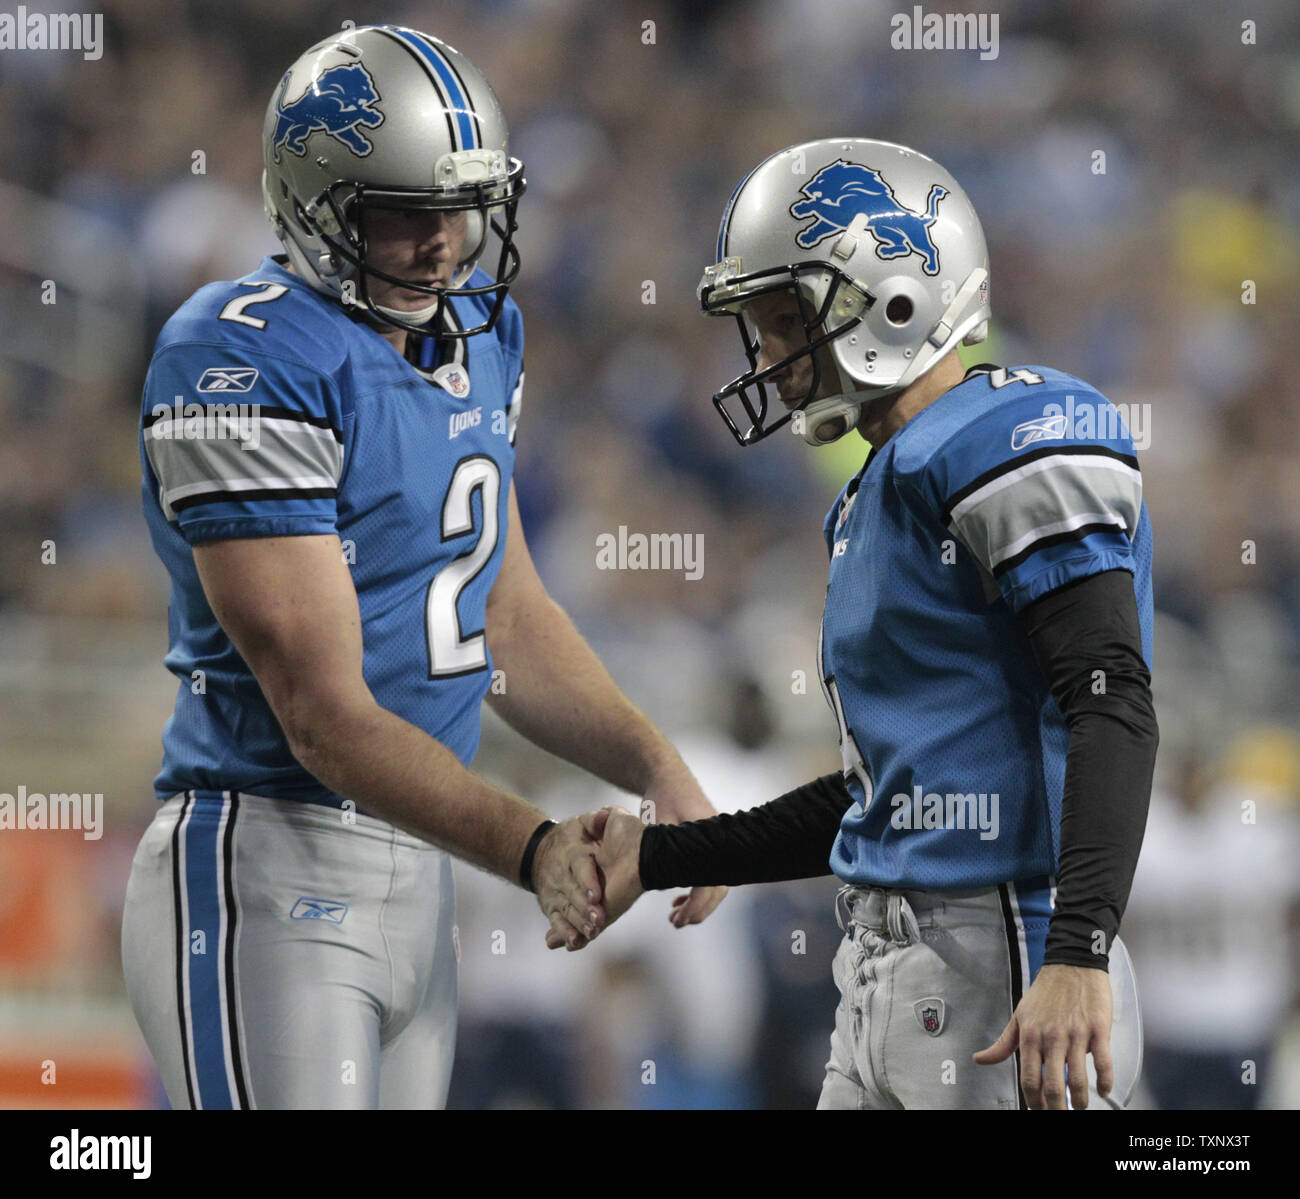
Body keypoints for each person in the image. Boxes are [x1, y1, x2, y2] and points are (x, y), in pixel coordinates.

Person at [121, 24, 722, 1111]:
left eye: (461, 205)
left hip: (416, 867)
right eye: (406, 208)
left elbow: (504, 609)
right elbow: (321, 715)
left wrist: (654, 764)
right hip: (268, 853)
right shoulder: (242, 352)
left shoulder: (482, 333)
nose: (444, 241)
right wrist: (532, 844)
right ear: (315, 198)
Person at [556, 138, 1158, 1111]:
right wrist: (663, 853)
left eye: (787, 317)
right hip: (883, 968)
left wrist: (1077, 948)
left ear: (897, 295)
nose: (768, 355)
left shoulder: (1009, 433)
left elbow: (1110, 695)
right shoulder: (876, 489)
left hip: (1007, 959)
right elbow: (881, 798)